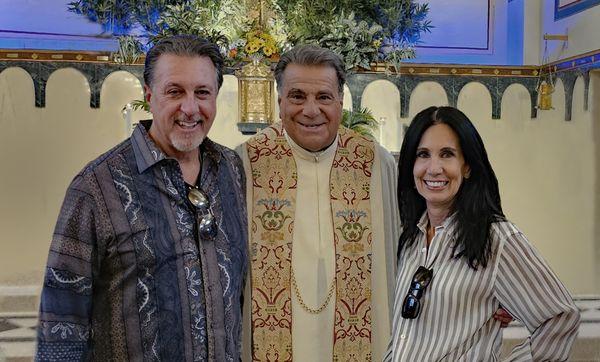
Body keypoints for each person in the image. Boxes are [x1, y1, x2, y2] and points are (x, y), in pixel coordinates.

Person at [35, 35, 248, 361]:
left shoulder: (231, 170)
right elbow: (62, 317)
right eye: (174, 91)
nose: (190, 108)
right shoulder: (96, 188)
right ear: (149, 96)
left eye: (202, 93)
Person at [239, 45, 401, 361]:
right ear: (279, 101)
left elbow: (407, 250)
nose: (311, 110)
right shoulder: (246, 163)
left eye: (324, 97)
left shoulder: (374, 164)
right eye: (298, 96)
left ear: (340, 101)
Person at [387, 106, 580, 361]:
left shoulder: (497, 239)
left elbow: (560, 317)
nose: (434, 168)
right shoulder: (410, 237)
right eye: (423, 155)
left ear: (467, 166)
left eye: (447, 154)